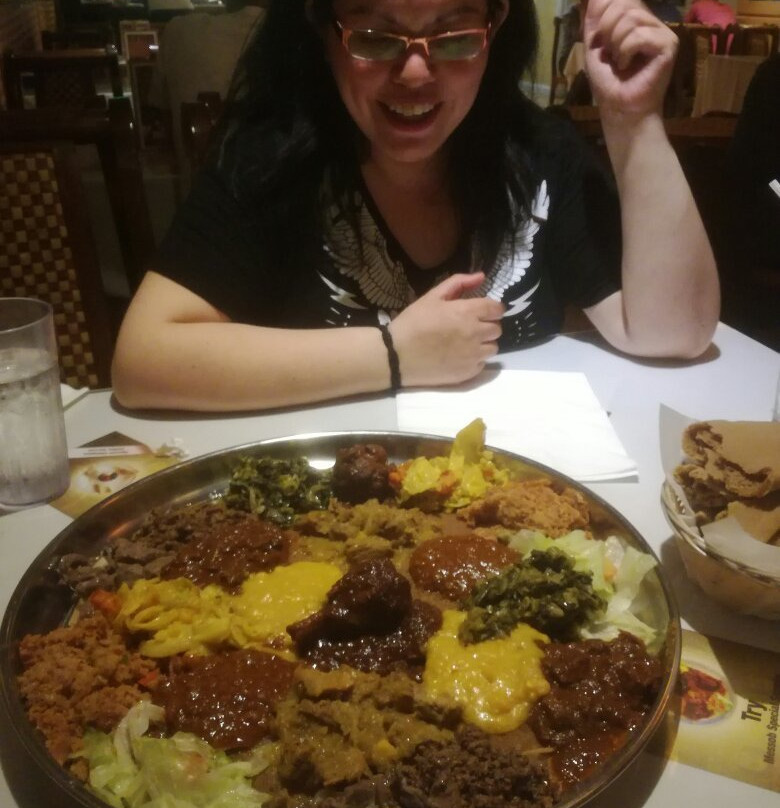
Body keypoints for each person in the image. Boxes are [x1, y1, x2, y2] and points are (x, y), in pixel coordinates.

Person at [112, 0, 719, 413]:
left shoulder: (536, 153)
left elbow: (675, 335)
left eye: (454, 38)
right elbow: (143, 362)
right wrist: (394, 354)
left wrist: (633, 119)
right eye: (375, 38)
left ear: (495, 27)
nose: (414, 72)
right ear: (323, 30)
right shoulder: (271, 160)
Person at [147, 0, 267, 180]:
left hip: (194, 185)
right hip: (268, 189)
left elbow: (162, 118)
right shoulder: (288, 34)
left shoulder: (179, 31)